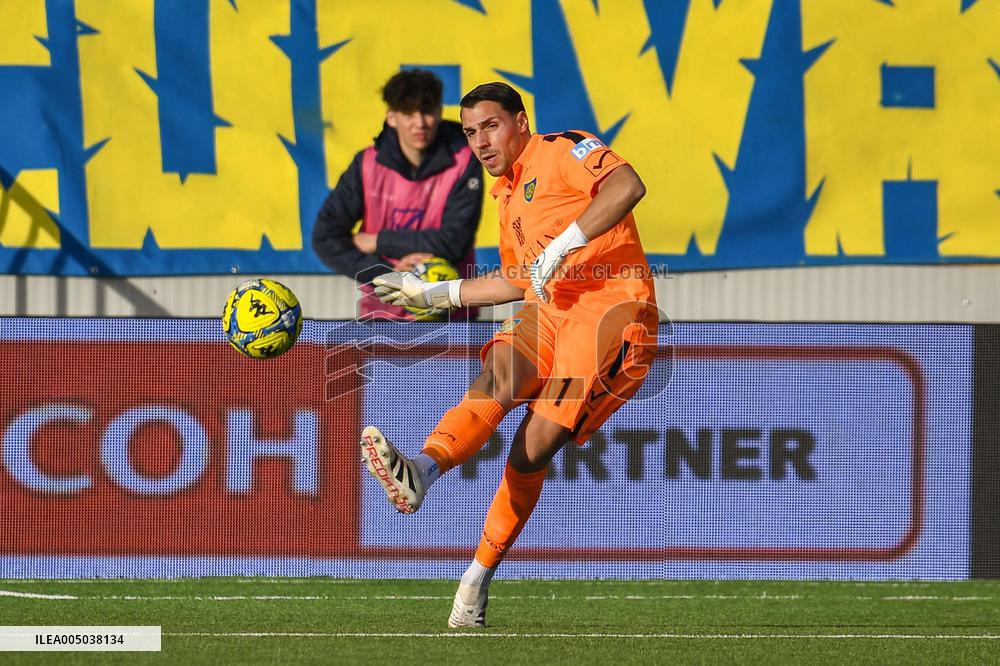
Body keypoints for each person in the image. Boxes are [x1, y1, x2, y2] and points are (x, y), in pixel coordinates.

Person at [364, 82, 659, 627]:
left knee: (531, 449)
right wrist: (431, 294)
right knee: (497, 373)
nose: (480, 140)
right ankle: (422, 472)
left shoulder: (563, 149)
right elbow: (520, 279)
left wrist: (565, 243)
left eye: (491, 126)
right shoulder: (505, 195)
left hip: (610, 316)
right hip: (549, 312)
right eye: (471, 131)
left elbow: (627, 185)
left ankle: (475, 581)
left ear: (521, 122)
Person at [311, 68, 484, 320]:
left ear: (438, 112)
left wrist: (378, 240)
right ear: (391, 117)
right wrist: (388, 275)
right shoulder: (367, 164)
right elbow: (325, 237)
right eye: (408, 113)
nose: (420, 123)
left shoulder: (465, 159)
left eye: (427, 111)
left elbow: (453, 242)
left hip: (451, 316)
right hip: (383, 317)